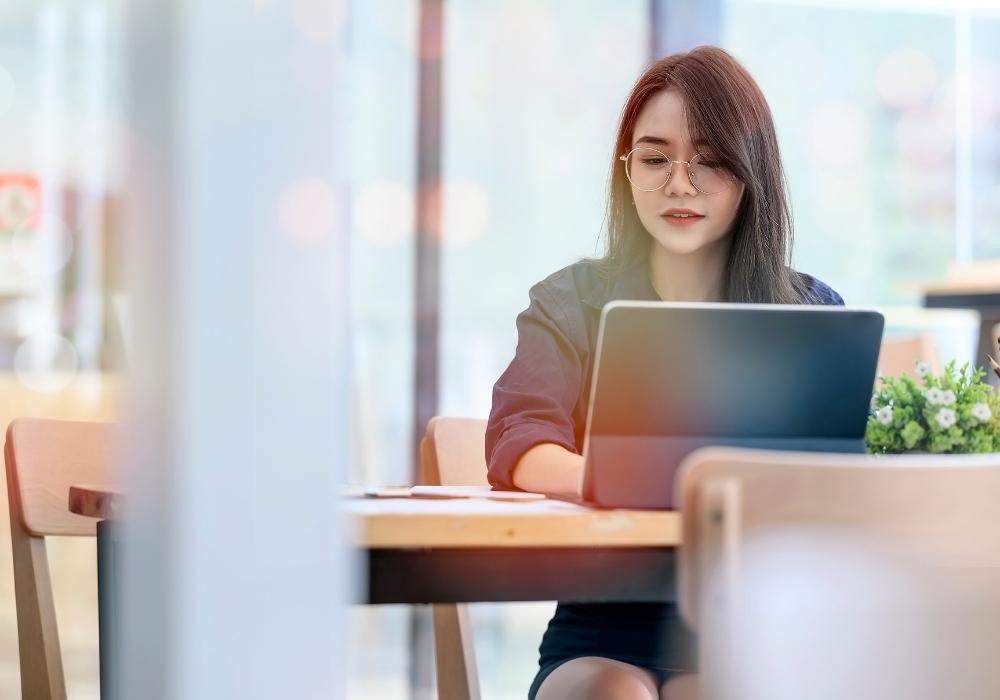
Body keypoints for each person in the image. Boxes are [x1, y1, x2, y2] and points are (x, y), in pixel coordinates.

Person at [484, 46, 845, 700]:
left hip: (752, 637)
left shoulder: (810, 313)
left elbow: (841, 473)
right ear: (626, 172)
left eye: (709, 160)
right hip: (599, 634)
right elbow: (520, 438)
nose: (680, 183)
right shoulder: (572, 301)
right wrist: (636, 479)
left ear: (752, 172)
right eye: (654, 160)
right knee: (615, 692)